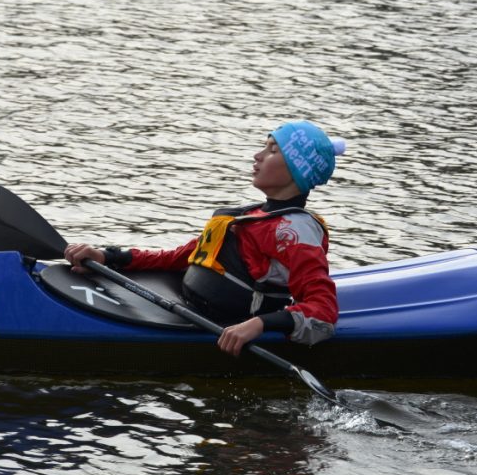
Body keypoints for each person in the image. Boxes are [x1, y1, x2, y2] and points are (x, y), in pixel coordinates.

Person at [64, 120, 346, 358]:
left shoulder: (294, 233)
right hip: (188, 302)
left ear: (296, 170)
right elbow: (184, 256)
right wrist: (111, 257)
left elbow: (322, 311)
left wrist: (259, 324)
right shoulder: (251, 215)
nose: (257, 156)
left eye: (272, 151)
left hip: (222, 324)